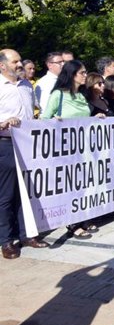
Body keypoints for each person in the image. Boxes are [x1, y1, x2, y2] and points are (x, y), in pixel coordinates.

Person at [41, 60, 100, 239]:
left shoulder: (81, 95)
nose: (85, 75)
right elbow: (44, 119)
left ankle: (82, 217)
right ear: (72, 74)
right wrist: (55, 121)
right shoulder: (58, 95)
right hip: (65, 150)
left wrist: (96, 118)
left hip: (83, 149)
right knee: (71, 186)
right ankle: (72, 224)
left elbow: (84, 118)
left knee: (83, 185)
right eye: (82, 73)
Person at [1, 49, 48, 259]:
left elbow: (33, 113)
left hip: (28, 145)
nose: (20, 65)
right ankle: (6, 240)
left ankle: (27, 234)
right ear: (3, 65)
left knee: (26, 192)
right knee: (7, 196)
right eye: (16, 61)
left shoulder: (27, 86)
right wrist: (3, 123)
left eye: (20, 61)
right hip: (5, 144)